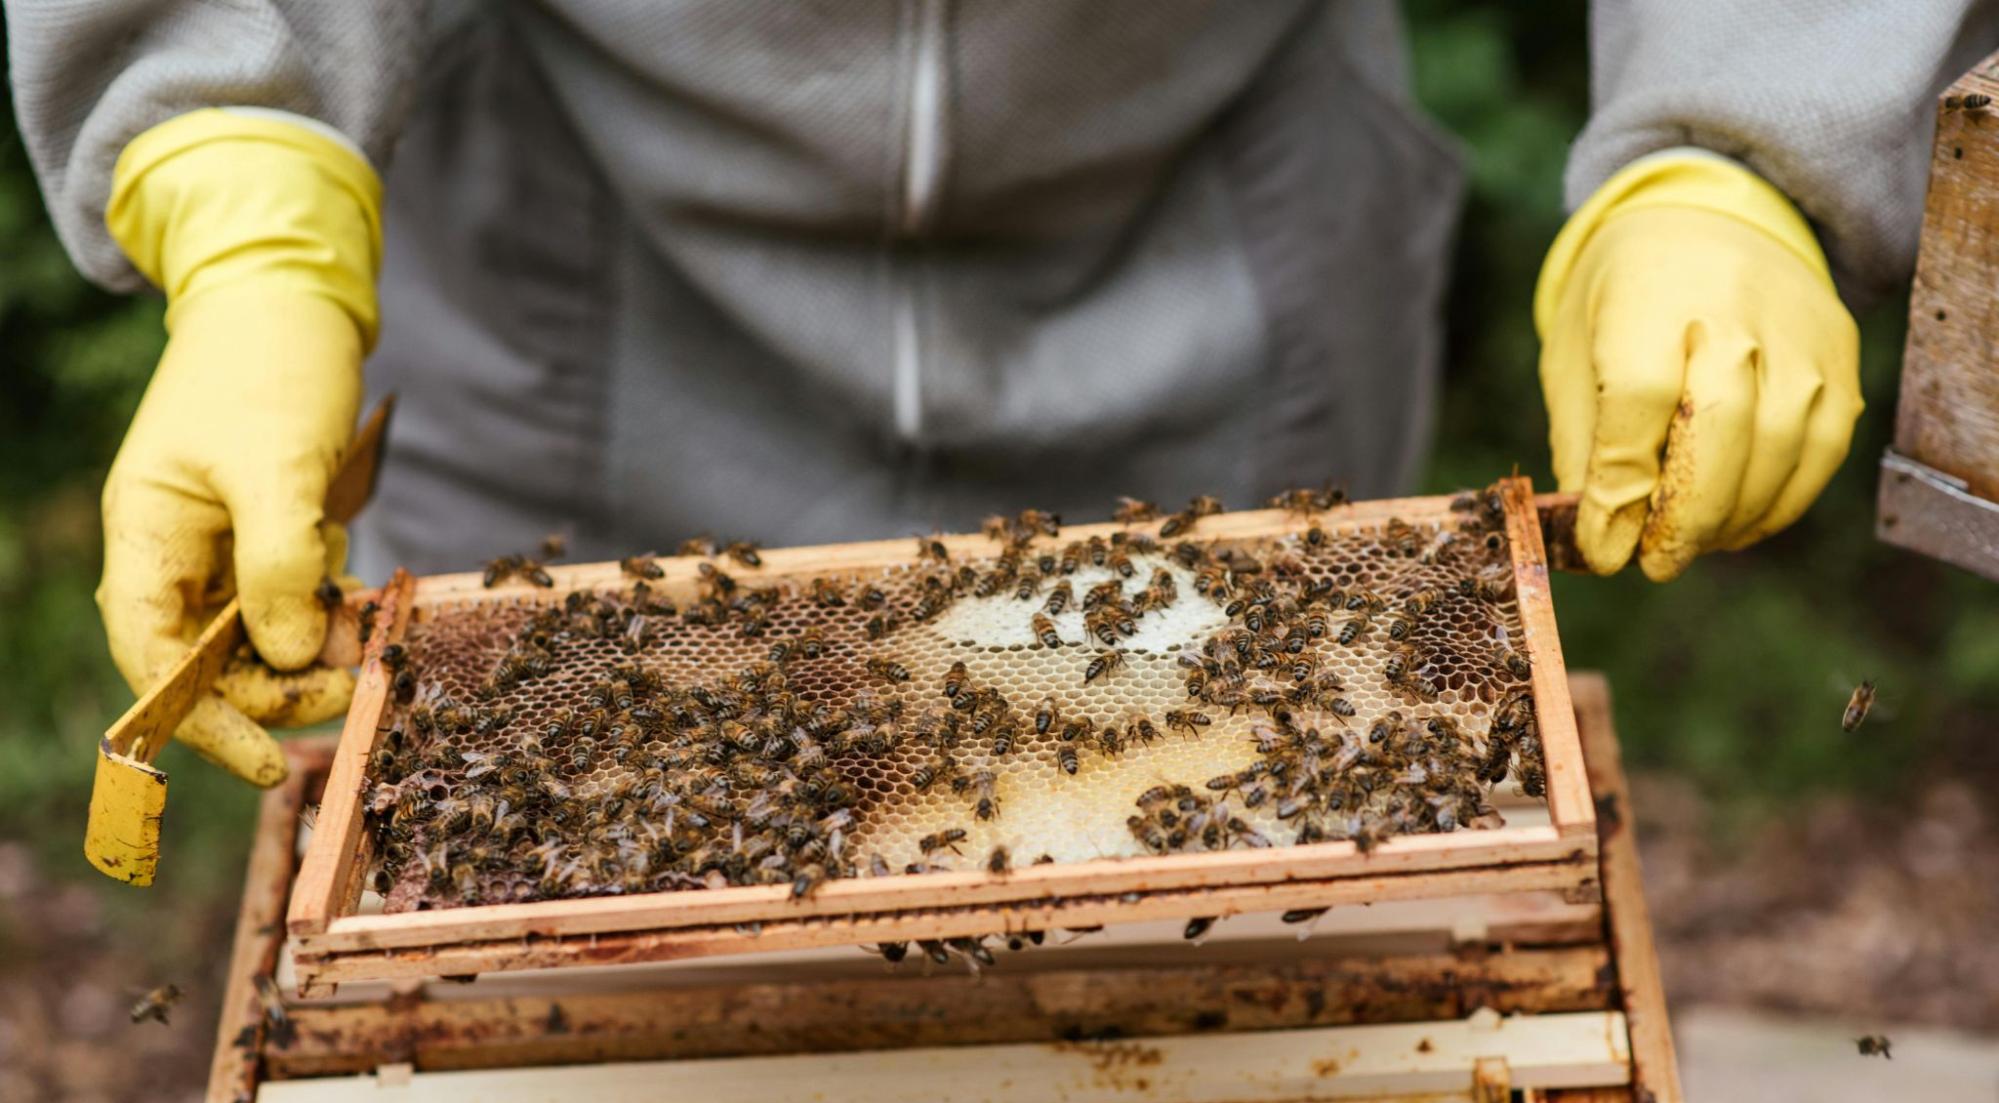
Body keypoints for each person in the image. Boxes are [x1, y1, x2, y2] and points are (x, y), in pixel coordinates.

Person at [8, 2, 1989, 788]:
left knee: (1251, 945)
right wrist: (234, 155)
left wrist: (1733, 128)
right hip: (562, 272)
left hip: (1224, 218)